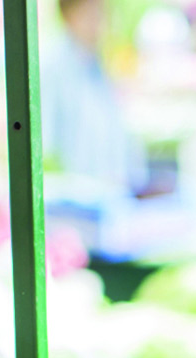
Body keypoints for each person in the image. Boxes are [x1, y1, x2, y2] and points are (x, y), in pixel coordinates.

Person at [43, 0, 147, 207]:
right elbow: (45, 147)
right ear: (69, 14)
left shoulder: (98, 64)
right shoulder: (52, 67)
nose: (100, 21)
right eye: (91, 12)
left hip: (111, 200)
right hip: (75, 207)